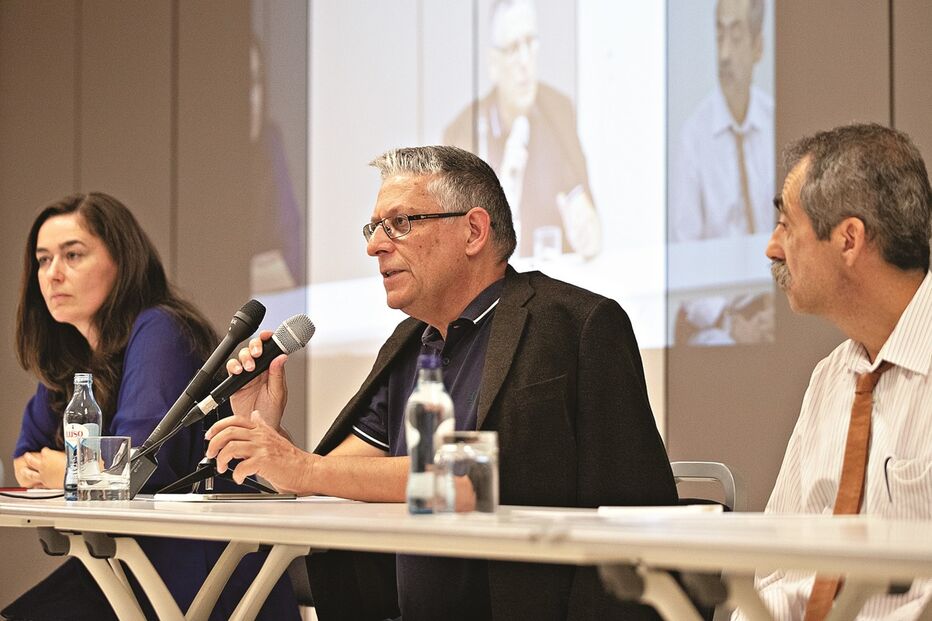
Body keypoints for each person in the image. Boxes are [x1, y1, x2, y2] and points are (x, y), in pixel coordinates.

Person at [205, 145, 676, 619]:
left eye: (400, 223)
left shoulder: (573, 324)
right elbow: (336, 477)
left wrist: (301, 468)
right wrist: (265, 434)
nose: (375, 246)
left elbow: (477, 480)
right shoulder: (409, 343)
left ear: (473, 231)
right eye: (374, 228)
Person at [7, 193, 298, 620]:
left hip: (199, 569)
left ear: (122, 261)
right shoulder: (71, 354)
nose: (53, 274)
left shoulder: (160, 328)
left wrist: (66, 469)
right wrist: (77, 470)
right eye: (43, 260)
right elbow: (27, 459)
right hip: (128, 564)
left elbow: (140, 466)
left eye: (73, 255)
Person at [733, 124, 932, 620]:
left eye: (786, 225)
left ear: (848, 240)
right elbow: (775, 569)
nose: (772, 247)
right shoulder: (831, 377)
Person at [443, 0, 601, 259]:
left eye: (530, 43)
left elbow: (586, 209)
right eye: (513, 49)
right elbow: (456, 248)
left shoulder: (558, 112)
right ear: (493, 64)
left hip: (550, 279)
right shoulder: (463, 133)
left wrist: (588, 231)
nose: (525, 61)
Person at [669, 0, 773, 241]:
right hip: (711, 266)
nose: (724, 54)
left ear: (758, 47)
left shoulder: (773, 122)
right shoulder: (693, 137)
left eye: (735, 38)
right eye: (719, 37)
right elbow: (685, 242)